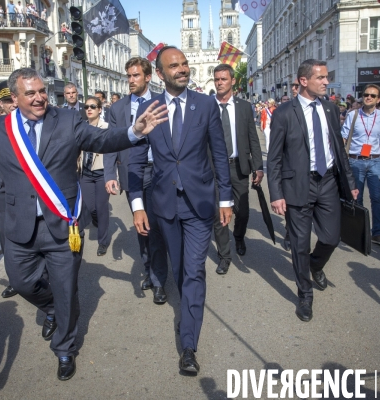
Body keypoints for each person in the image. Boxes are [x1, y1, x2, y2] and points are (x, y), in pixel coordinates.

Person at [0, 67, 168, 381]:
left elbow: (101, 139)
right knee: (21, 282)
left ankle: (64, 347)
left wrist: (134, 132)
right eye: (31, 93)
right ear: (16, 97)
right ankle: (52, 308)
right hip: (20, 226)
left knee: (66, 290)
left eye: (42, 92)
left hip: (62, 226)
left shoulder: (67, 120)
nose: (39, 98)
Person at [128, 46, 232, 374]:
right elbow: (134, 158)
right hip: (165, 206)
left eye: (185, 63)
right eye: (174, 66)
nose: (182, 69)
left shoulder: (205, 105)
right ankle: (187, 313)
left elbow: (219, 153)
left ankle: (188, 344)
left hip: (200, 204)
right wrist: (137, 205)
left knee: (195, 270)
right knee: (179, 271)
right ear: (160, 74)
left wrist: (225, 199)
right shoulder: (149, 108)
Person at [267, 59, 358, 323]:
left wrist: (349, 183)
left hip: (328, 182)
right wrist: (276, 193)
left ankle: (314, 266)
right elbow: (273, 158)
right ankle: (305, 294)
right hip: (297, 186)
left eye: (326, 77)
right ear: (304, 81)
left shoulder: (329, 108)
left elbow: (339, 150)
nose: (326, 82)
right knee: (299, 243)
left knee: (331, 238)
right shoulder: (284, 113)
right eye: (321, 78)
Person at [104, 56, 169, 303]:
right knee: (142, 226)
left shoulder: (160, 102)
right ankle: (149, 269)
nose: (131, 80)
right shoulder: (118, 108)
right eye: (128, 76)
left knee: (156, 227)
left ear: (148, 77)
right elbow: (110, 142)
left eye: (136, 76)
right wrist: (110, 174)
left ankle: (158, 279)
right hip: (132, 173)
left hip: (159, 173)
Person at [212, 64, 264, 274]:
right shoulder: (208, 106)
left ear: (233, 81)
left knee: (241, 212)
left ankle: (239, 237)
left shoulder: (243, 107)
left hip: (238, 168)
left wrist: (258, 167)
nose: (219, 83)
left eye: (223, 79)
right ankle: (224, 255)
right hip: (215, 169)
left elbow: (253, 138)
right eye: (216, 79)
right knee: (218, 215)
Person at [341, 83, 380, 246]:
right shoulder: (353, 115)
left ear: (378, 99)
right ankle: (360, 232)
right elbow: (344, 137)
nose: (368, 97)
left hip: (375, 160)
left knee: (377, 197)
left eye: (372, 96)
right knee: (358, 198)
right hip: (355, 161)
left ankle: (377, 232)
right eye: (366, 94)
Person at [0, 80, 19, 299]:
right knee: (6, 239)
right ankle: (14, 279)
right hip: (4, 192)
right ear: (1, 104)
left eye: (13, 99)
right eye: (7, 101)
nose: (12, 104)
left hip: (29, 193)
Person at [79, 96, 111, 256]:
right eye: (86, 107)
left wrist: (114, 175)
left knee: (102, 207)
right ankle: (97, 220)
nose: (89, 109)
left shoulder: (106, 127)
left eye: (92, 106)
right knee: (89, 206)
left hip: (102, 172)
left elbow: (113, 152)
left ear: (100, 109)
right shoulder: (81, 127)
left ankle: (103, 242)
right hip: (85, 172)